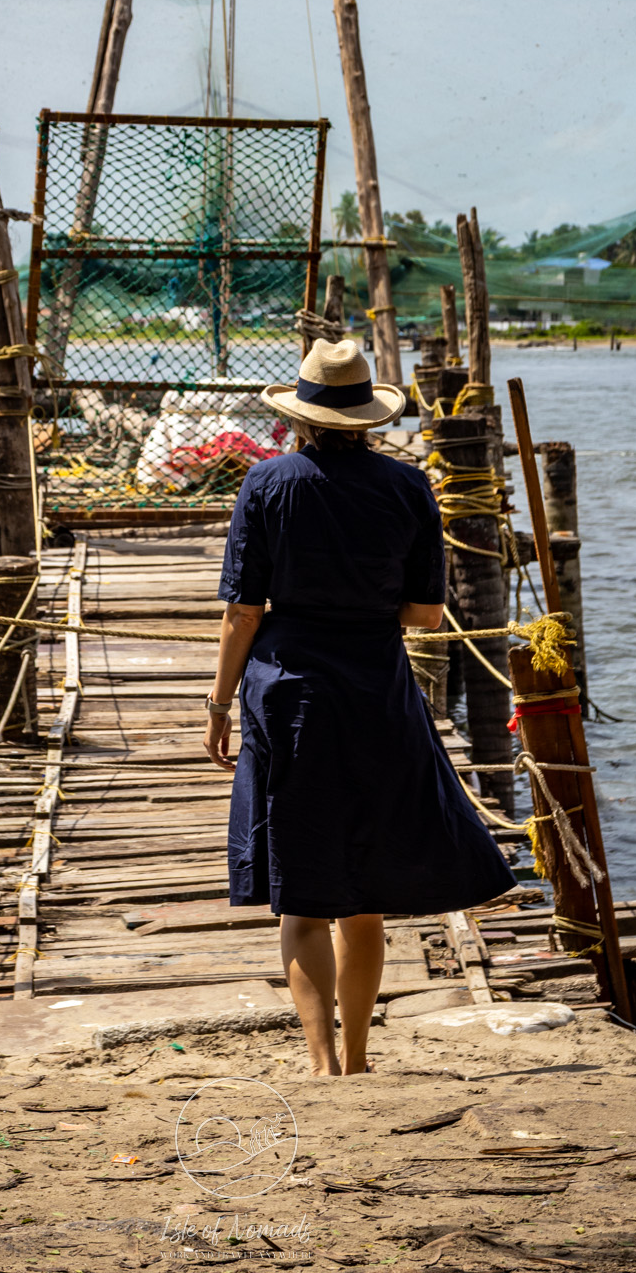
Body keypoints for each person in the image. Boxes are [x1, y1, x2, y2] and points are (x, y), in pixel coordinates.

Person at [203, 335, 514, 1077]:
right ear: (368, 416)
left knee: (301, 895)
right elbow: (425, 616)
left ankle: (318, 1063)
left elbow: (242, 613)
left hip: (287, 693)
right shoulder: (407, 487)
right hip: (375, 690)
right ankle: (358, 1059)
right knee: (361, 895)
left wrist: (218, 705)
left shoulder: (268, 483)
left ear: (299, 415)